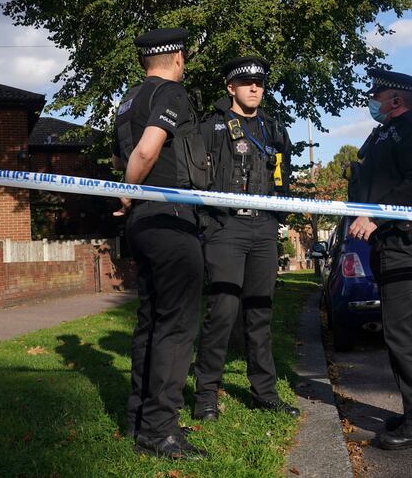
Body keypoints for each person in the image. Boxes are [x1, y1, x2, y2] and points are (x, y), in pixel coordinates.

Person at [111, 27, 207, 460]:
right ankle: (160, 430)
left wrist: (127, 195)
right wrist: (132, 189)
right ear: (178, 59)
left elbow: (121, 157)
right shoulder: (172, 94)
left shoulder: (127, 101)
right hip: (169, 218)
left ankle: (139, 420)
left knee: (150, 322)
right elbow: (146, 153)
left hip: (141, 225)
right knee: (177, 325)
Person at [347, 68, 412, 450]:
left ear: (396, 100)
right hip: (394, 243)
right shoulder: (386, 134)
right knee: (406, 335)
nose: (372, 98)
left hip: (410, 242)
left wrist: (374, 215)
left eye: (378, 93)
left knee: (405, 336)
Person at [192, 56, 300, 421]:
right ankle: (206, 394)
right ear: (231, 88)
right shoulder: (212, 126)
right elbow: (195, 178)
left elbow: (284, 175)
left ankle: (264, 393)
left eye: (260, 82)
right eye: (247, 83)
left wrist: (280, 217)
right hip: (227, 229)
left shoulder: (274, 129)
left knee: (260, 312)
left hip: (264, 229)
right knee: (223, 311)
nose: (255, 88)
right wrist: (208, 224)